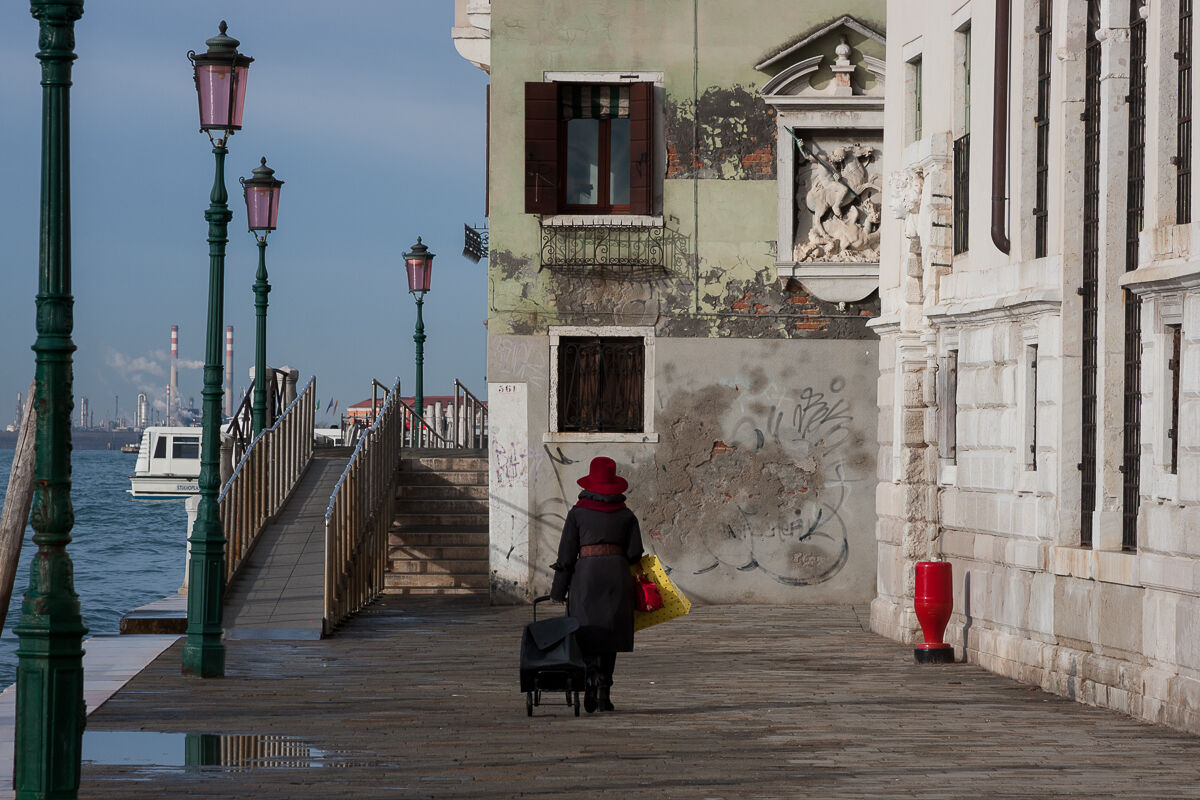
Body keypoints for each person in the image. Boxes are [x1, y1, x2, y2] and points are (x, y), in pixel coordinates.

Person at [549, 456, 644, 713]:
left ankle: (589, 679)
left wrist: (558, 591)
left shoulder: (577, 513)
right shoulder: (626, 515)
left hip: (586, 577)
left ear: (590, 485)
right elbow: (635, 552)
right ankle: (604, 693)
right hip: (617, 577)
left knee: (587, 630)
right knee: (610, 633)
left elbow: (566, 557)